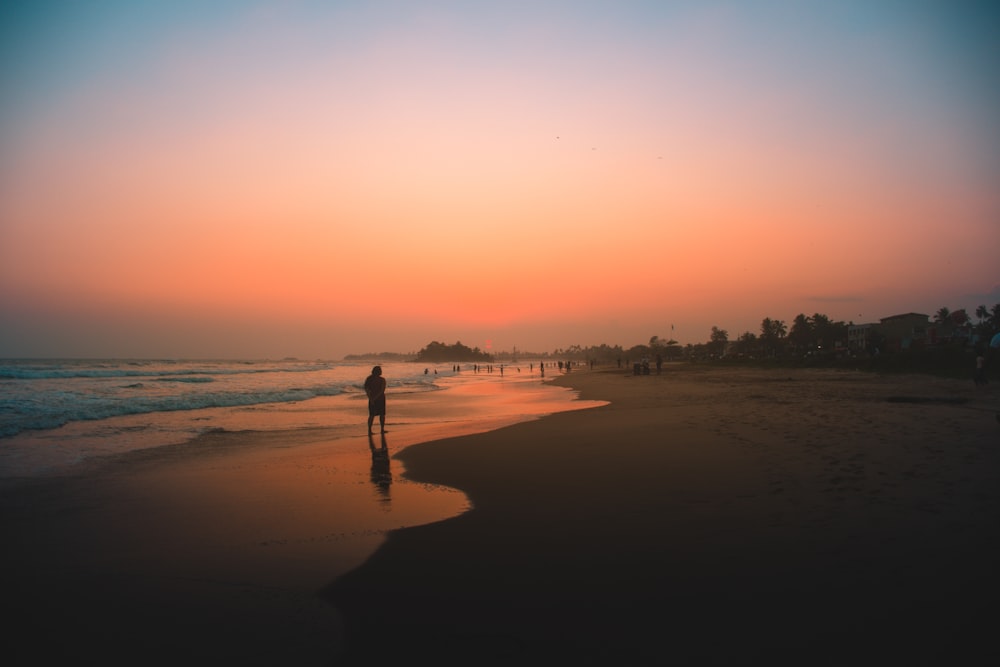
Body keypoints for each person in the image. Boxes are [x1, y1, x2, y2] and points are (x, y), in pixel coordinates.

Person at [364, 366, 387, 434]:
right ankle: (382, 429)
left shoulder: (369, 379)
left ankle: (369, 430)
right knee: (382, 414)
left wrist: (371, 399)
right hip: (381, 399)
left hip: (372, 399)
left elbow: (367, 390)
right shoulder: (382, 379)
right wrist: (375, 398)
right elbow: (382, 390)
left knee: (371, 415)